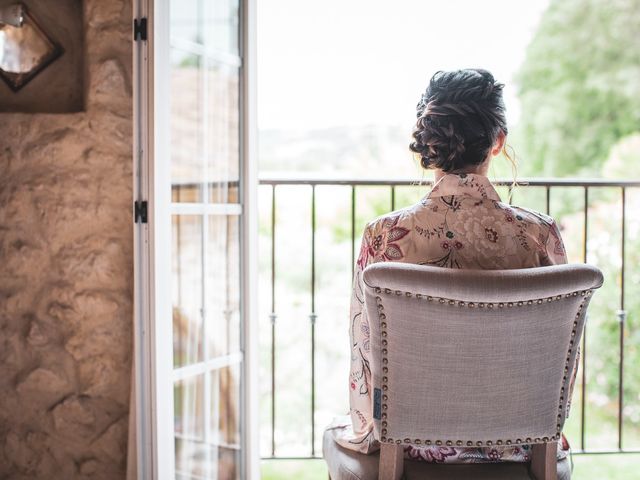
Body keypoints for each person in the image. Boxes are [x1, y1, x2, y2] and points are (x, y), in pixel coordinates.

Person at [329, 68, 573, 464]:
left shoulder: (384, 235)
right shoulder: (539, 235)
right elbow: (563, 352)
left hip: (410, 445)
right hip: (519, 443)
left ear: (430, 144)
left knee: (331, 428)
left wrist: (367, 432)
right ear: (498, 142)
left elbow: (366, 354)